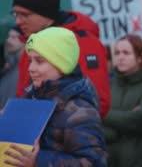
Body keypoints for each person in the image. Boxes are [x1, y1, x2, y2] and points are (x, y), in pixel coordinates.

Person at [3, 27, 107, 166]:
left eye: (39, 61)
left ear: (61, 65)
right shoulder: (32, 96)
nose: (30, 68)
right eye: (30, 60)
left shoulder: (79, 110)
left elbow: (93, 162)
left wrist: (38, 161)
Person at [11, 0, 110, 117]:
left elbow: (97, 103)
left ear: (46, 13)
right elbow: (23, 94)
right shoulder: (32, 42)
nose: (18, 21)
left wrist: (41, 123)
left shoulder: (84, 43)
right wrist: (13, 114)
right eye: (16, 13)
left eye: (24, 15)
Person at [103, 34, 142, 167]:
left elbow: (137, 120)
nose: (120, 57)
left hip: (140, 161)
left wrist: (103, 114)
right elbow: (96, 122)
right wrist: (122, 121)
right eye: (117, 53)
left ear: (140, 57)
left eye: (126, 53)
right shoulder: (109, 84)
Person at [0, 26, 24, 109]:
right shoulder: (9, 66)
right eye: (8, 37)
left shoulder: (28, 68)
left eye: (14, 37)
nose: (8, 40)